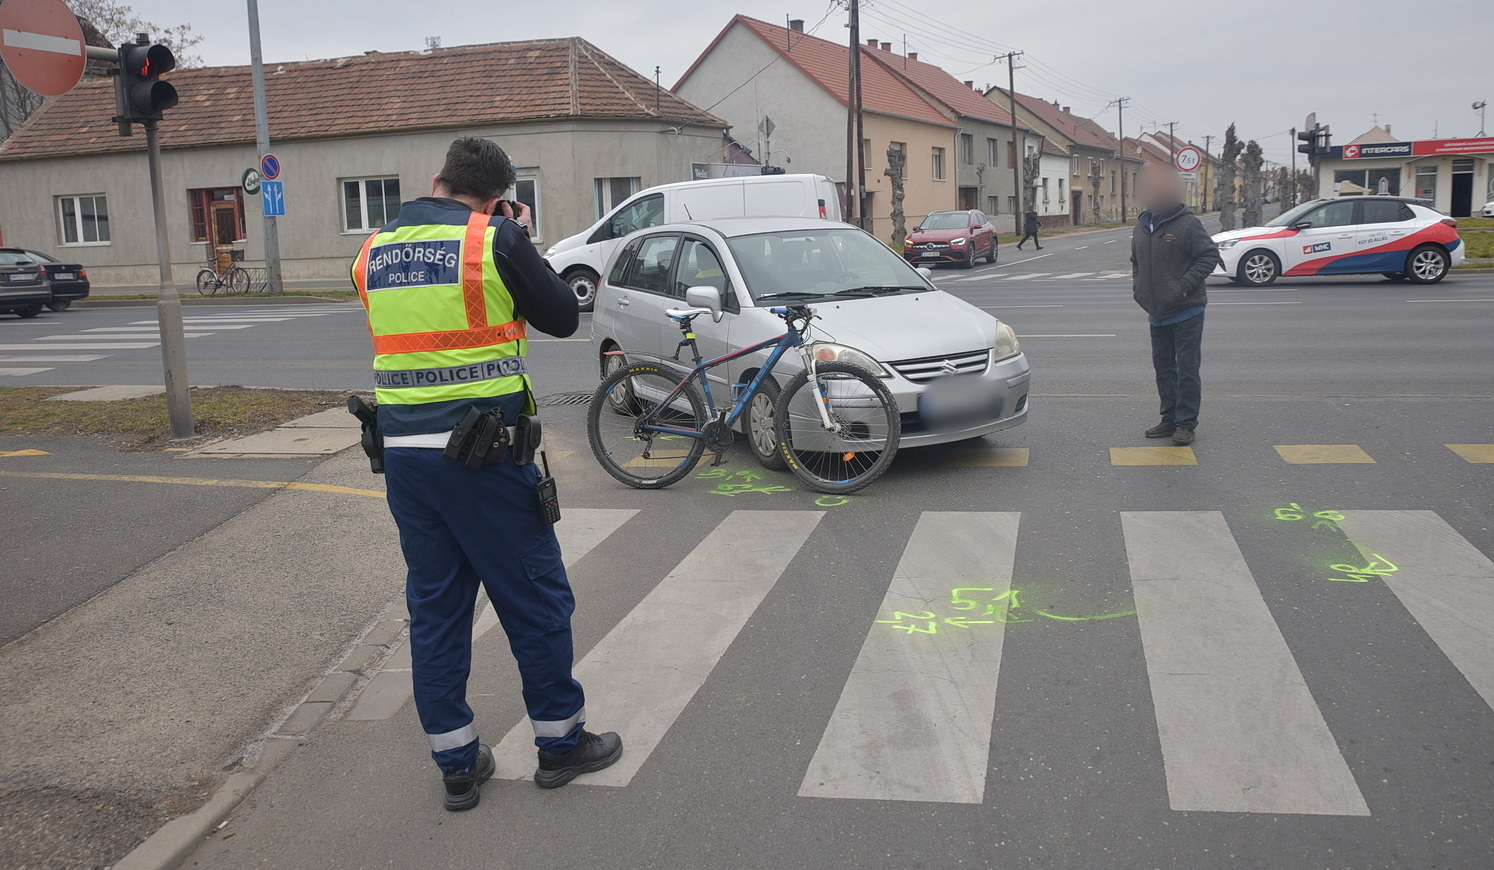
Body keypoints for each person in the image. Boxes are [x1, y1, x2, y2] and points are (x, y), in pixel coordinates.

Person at [350, 137, 621, 812]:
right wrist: (519, 239)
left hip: (406, 461)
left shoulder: (371, 251)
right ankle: (560, 746)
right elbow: (561, 317)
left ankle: (458, 764)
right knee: (535, 601)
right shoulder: (493, 239)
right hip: (484, 457)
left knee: (437, 610)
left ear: (437, 180)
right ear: (499, 195)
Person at [1130, 163, 1221, 446]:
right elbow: (1136, 262)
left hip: (1186, 311)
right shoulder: (1142, 225)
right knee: (1164, 369)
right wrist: (1139, 289)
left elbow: (1209, 256)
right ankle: (1168, 418)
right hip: (1156, 313)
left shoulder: (1187, 223)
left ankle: (1185, 424)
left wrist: (1182, 287)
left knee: (1187, 369)